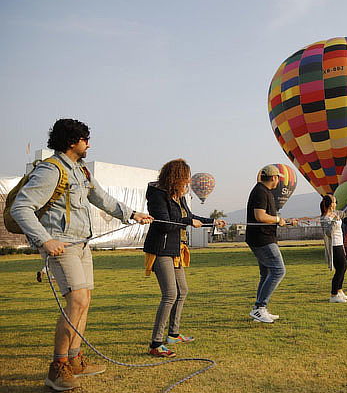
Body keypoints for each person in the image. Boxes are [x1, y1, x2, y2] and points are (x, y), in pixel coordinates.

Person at [10, 119, 153, 391]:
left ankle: (75, 360)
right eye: (85, 139)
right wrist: (45, 240)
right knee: (76, 300)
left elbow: (102, 198)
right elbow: (21, 208)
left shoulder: (81, 170)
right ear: (71, 142)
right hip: (61, 245)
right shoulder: (51, 171)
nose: (89, 143)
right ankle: (58, 368)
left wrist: (132, 214)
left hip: (82, 245)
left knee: (84, 300)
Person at [143, 159, 225, 357]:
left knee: (182, 290)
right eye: (186, 177)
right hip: (160, 249)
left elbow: (189, 215)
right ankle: (156, 343)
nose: (188, 181)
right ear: (176, 177)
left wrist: (211, 221)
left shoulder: (179, 196)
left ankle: (173, 334)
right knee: (170, 294)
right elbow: (165, 223)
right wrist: (189, 222)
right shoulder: (157, 195)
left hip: (176, 249)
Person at [245, 165, 288, 323]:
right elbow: (260, 216)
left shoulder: (263, 191)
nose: (279, 181)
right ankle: (259, 307)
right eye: (278, 178)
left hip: (261, 237)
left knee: (266, 273)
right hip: (263, 238)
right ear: (274, 178)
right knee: (278, 271)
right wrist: (277, 219)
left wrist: (282, 221)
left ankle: (260, 310)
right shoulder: (261, 192)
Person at [320, 194, 347, 303]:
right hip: (334, 246)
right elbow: (328, 233)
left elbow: (346, 213)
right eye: (334, 202)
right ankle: (333, 294)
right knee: (340, 269)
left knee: (343, 267)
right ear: (330, 204)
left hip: (340, 244)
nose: (336, 204)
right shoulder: (325, 218)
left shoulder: (336, 213)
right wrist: (334, 222)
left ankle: (339, 290)